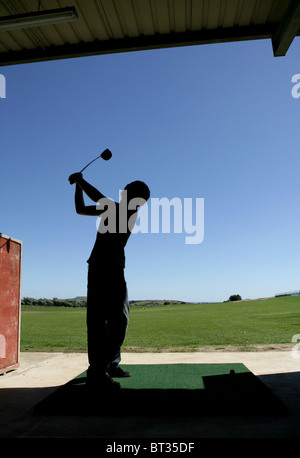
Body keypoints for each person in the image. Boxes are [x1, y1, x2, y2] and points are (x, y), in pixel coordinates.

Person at [68, 172, 150, 390]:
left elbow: (97, 197)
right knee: (98, 322)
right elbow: (81, 208)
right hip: (99, 268)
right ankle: (98, 371)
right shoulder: (113, 208)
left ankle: (110, 365)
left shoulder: (127, 211)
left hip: (114, 270)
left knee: (119, 320)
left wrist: (80, 180)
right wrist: (78, 185)